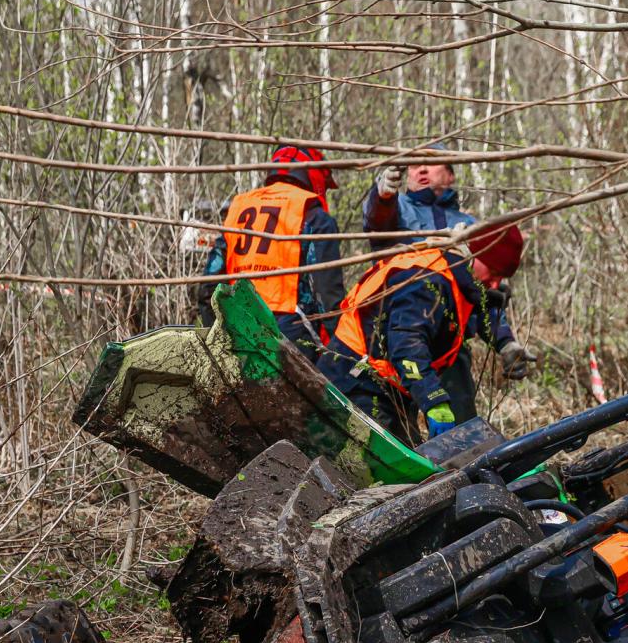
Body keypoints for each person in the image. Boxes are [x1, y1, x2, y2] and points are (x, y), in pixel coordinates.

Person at [317, 224, 534, 444]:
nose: (495, 283)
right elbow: (407, 347)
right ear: (475, 254)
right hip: (354, 377)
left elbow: (482, 308)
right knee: (373, 460)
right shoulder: (426, 282)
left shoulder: (461, 275)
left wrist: (506, 343)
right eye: (494, 273)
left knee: (412, 457)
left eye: (502, 278)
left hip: (390, 385)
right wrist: (433, 400)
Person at [195, 145, 343, 360]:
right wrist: (339, 354)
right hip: (290, 335)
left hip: (237, 327)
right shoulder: (313, 216)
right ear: (314, 177)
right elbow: (327, 295)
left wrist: (215, 334)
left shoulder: (238, 207)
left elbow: (209, 285)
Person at [360, 147, 474, 249]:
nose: (422, 169)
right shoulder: (396, 205)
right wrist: (382, 198)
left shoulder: (470, 223)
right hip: (405, 271)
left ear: (451, 175)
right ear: (408, 177)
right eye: (415, 164)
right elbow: (375, 221)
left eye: (431, 162)